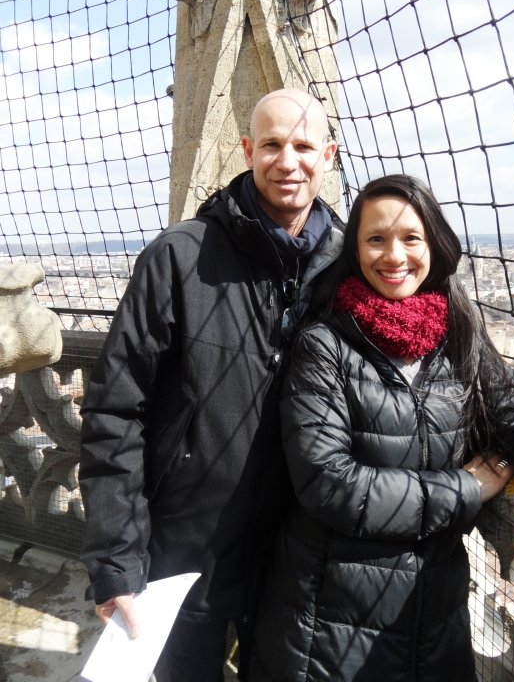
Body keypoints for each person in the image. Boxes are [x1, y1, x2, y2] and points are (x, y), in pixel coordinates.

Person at [251, 174, 514, 682]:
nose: (394, 255)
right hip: (328, 627)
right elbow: (328, 483)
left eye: (410, 237)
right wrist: (461, 490)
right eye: (376, 238)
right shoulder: (323, 346)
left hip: (434, 625)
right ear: (355, 250)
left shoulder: (459, 336)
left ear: (434, 244)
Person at [78, 89, 343, 682]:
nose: (288, 161)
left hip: (295, 564)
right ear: (247, 150)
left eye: (303, 146)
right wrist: (117, 563)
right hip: (181, 559)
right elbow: (115, 411)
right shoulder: (178, 257)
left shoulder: (349, 267)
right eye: (271, 144)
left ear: (328, 156)